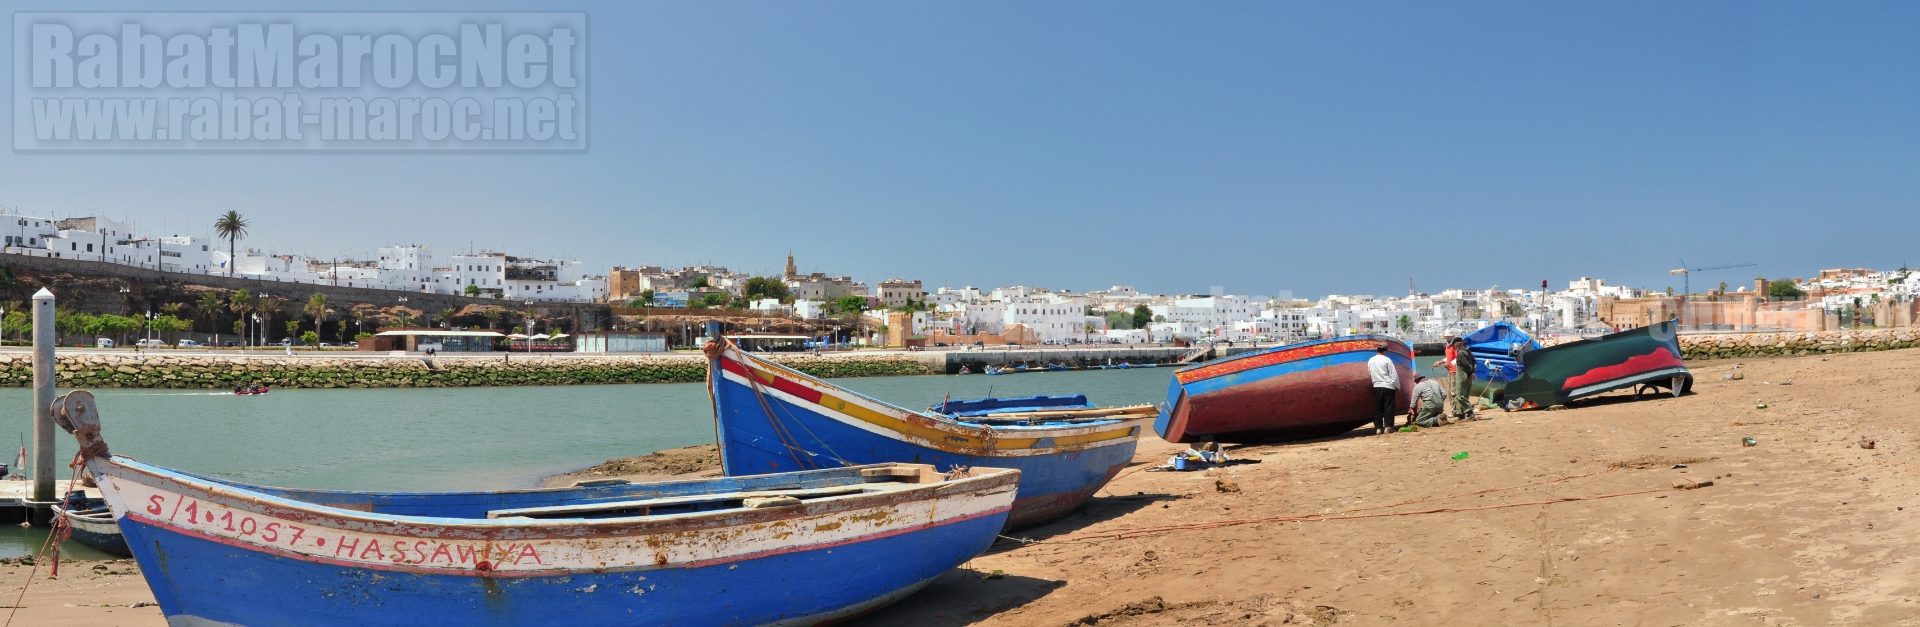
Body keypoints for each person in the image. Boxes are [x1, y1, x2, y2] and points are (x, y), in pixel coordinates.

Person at [1434, 336, 1477, 420]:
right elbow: (1474, 362)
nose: (1453, 347)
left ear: (1457, 344)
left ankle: (1470, 412)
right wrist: (1472, 372)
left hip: (1463, 375)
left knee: (1460, 396)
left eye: (1453, 345)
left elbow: (1466, 365)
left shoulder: (1460, 352)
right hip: (1467, 376)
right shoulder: (1468, 351)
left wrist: (1469, 372)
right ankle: (1461, 415)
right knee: (1464, 394)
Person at [1366, 344, 1399, 435]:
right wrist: (1397, 386)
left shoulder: (1371, 360)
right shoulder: (1387, 360)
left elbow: (1370, 372)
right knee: (1388, 407)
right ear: (1385, 350)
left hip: (1377, 386)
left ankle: (1378, 428)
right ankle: (1388, 427)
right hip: (1388, 386)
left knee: (1378, 408)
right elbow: (1393, 375)